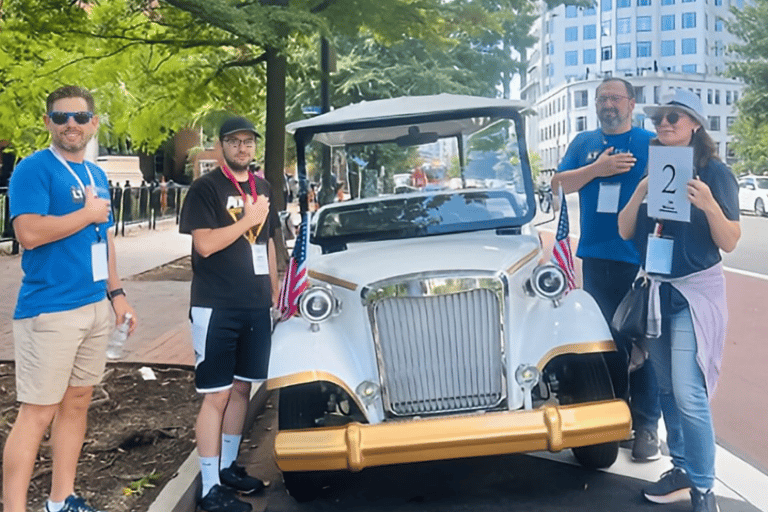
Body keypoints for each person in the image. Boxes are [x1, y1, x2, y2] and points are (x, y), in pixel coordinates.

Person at [3, 85, 137, 512]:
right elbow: (28, 233)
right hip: (50, 311)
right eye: (60, 117)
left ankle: (61, 499)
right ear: (48, 123)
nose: (71, 125)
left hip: (95, 307)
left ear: (93, 123)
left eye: (79, 117)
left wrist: (116, 294)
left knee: (77, 403)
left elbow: (105, 239)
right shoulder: (33, 170)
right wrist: (86, 214)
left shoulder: (96, 176)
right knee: (37, 413)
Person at [618, 89, 740, 512]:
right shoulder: (654, 171)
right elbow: (624, 230)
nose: (665, 123)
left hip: (693, 292)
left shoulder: (715, 173)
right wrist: (639, 192)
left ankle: (704, 489)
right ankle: (684, 466)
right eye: (659, 118)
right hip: (656, 289)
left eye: (675, 116)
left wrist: (708, 204)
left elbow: (730, 242)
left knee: (690, 393)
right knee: (668, 386)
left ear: (695, 124)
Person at [551, 77, 662, 462]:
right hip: (596, 257)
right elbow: (558, 185)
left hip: (641, 259)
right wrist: (598, 168)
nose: (607, 104)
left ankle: (648, 427)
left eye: (614, 98)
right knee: (605, 342)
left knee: (644, 342)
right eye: (601, 99)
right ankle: (616, 419)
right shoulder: (584, 144)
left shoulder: (651, 144)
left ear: (632, 103)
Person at [179, 117, 279, 512]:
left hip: (255, 304)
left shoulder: (264, 187)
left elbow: (269, 241)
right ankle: (208, 488)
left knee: (242, 389)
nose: (243, 148)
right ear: (221, 145)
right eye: (235, 142)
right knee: (216, 395)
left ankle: (227, 467)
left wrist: (273, 291)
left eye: (249, 142)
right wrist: (246, 221)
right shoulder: (206, 189)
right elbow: (204, 245)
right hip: (216, 303)